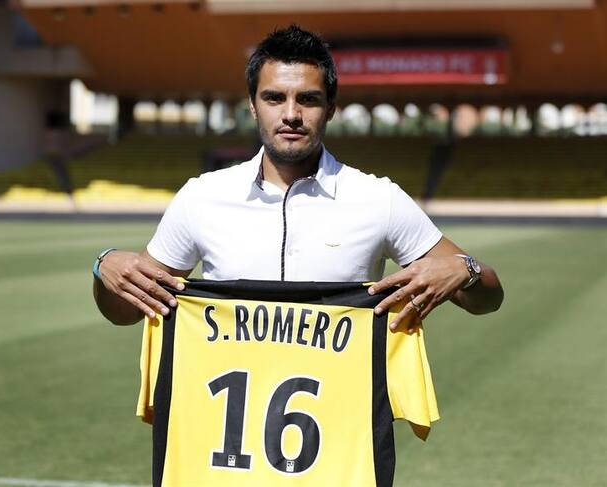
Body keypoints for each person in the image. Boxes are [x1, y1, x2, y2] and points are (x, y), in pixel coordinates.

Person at [93, 25, 503, 331]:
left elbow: (486, 298)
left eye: (308, 99)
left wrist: (466, 269)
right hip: (228, 423)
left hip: (342, 421)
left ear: (331, 108)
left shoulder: (379, 199)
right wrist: (104, 267)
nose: (291, 114)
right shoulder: (201, 197)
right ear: (253, 106)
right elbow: (125, 312)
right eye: (274, 98)